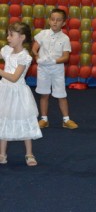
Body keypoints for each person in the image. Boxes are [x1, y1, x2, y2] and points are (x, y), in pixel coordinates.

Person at [0, 22, 42, 166]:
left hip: (18, 93)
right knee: (4, 119)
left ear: (22, 37)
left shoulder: (24, 57)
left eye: (11, 35)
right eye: (8, 34)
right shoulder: (6, 51)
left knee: (24, 121)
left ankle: (29, 153)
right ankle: (2, 154)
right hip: (5, 91)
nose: (8, 37)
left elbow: (14, 77)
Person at [32, 8, 78, 129]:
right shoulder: (42, 34)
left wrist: (54, 61)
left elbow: (66, 57)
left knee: (61, 94)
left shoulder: (65, 38)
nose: (55, 22)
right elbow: (34, 48)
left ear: (63, 23)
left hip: (57, 70)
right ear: (49, 20)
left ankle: (66, 120)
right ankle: (44, 119)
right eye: (52, 19)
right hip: (43, 69)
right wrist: (37, 57)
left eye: (58, 20)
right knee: (44, 94)